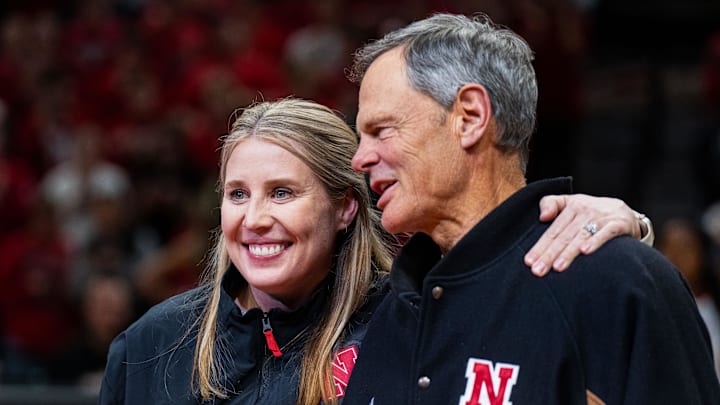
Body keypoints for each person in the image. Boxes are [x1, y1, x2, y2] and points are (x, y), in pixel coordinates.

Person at [98, 96, 650, 404]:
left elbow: (532, 313)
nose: (255, 218)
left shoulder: (411, 324)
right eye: (238, 194)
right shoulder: (153, 343)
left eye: (283, 193)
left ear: (345, 208)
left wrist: (625, 228)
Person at [342, 13, 720, 404]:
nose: (360, 159)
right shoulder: (386, 309)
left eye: (380, 130)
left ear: (470, 118)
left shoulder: (616, 282)